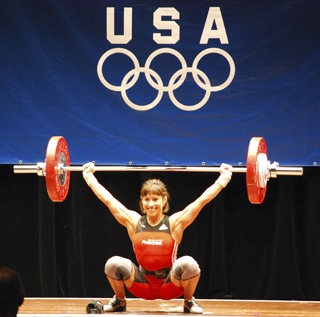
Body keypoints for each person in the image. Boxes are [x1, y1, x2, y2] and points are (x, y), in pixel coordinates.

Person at [83, 162, 232, 314]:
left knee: (189, 263)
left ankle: (188, 302)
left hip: (170, 285)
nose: (151, 204)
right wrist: (89, 177)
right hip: (142, 285)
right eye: (147, 199)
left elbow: (201, 201)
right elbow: (109, 201)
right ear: (142, 201)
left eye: (155, 199)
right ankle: (119, 301)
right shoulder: (134, 222)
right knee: (112, 264)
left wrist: (223, 179)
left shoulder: (174, 223)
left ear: (164, 200)